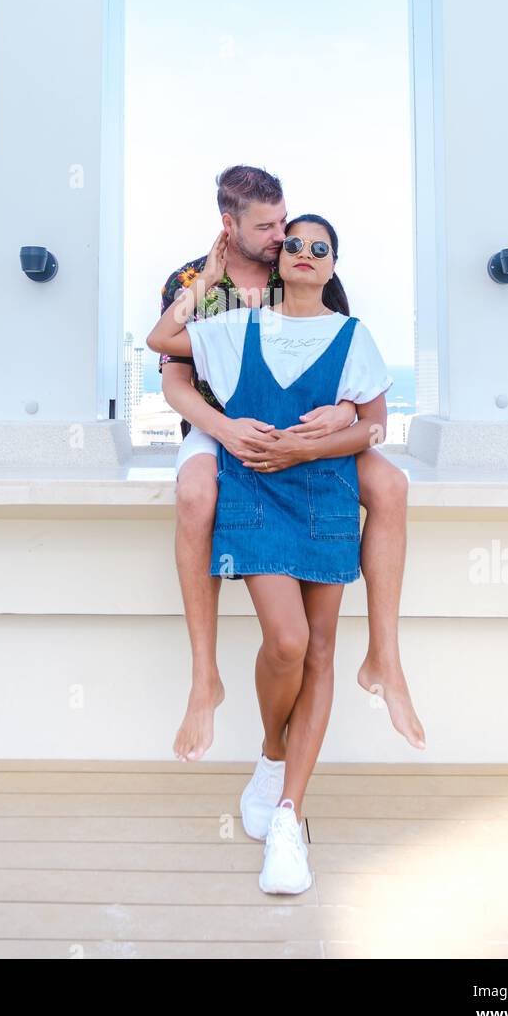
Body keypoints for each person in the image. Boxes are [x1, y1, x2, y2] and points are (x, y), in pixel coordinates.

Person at [147, 216, 395, 895]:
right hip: (255, 494)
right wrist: (203, 272)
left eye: (321, 248)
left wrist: (332, 429)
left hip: (325, 497)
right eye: (295, 244)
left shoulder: (354, 336)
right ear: (279, 257)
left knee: (319, 651)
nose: (306, 254)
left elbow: (376, 427)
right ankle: (273, 750)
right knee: (286, 642)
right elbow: (162, 340)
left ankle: (288, 814)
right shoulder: (240, 328)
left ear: (333, 264)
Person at [158, 166, 424, 763]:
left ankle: (385, 654)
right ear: (229, 225)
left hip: (307, 436)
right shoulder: (195, 280)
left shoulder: (302, 277)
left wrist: (341, 415)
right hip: (220, 424)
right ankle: (205, 677)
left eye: (286, 221)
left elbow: (349, 371)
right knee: (198, 493)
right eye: (269, 227)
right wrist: (226, 428)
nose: (284, 237)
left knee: (391, 484)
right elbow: (175, 377)